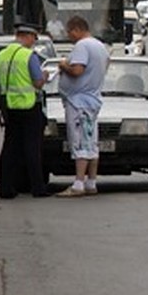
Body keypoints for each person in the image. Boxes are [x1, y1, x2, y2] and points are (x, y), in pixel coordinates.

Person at [55, 15, 109, 197]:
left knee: (80, 142)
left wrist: (64, 66)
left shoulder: (82, 46)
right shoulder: (100, 46)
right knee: (91, 142)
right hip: (92, 99)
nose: (69, 36)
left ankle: (78, 183)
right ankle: (91, 182)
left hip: (79, 102)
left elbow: (78, 70)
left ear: (77, 29)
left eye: (69, 32)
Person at [0, 24, 50, 199]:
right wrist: (45, 77)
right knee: (32, 148)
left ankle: (5, 188)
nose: (34, 42)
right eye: (34, 38)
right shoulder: (28, 56)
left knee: (9, 148)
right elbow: (37, 83)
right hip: (28, 106)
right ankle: (37, 187)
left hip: (9, 107)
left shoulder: (2, 55)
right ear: (27, 36)